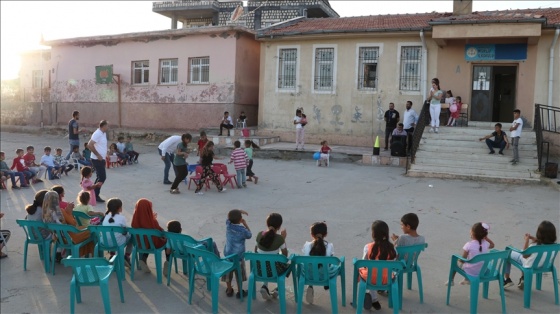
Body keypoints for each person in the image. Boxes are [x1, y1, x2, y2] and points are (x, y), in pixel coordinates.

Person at [503, 220, 556, 289]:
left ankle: (507, 279)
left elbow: (524, 255)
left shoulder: (534, 246)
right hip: (543, 264)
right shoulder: (554, 246)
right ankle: (523, 278)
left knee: (508, 253)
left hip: (530, 265)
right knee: (527, 259)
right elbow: (543, 243)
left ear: (539, 233)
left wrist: (527, 241)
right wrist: (535, 239)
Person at [360, 220, 396, 311]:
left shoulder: (368, 247)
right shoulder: (391, 248)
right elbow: (395, 262)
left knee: (365, 272)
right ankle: (381, 291)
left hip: (371, 279)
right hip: (387, 279)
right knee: (383, 272)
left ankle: (373, 298)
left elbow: (364, 262)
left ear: (373, 234)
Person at [255, 213, 289, 300]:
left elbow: (255, 251)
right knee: (285, 265)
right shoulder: (279, 238)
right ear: (279, 226)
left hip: (259, 270)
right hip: (274, 271)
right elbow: (285, 256)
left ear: (267, 224)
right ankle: (278, 288)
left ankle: (264, 286)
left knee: (265, 262)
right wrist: (283, 239)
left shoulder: (260, 234)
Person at [130, 198, 167, 273]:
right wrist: (154, 219)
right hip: (152, 244)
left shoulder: (134, 221)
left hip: (139, 244)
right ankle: (168, 262)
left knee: (147, 240)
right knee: (166, 241)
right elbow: (160, 231)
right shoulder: (152, 222)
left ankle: (143, 259)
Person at [301, 221, 334, 304]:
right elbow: (330, 261)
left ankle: (310, 285)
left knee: (309, 265)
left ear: (312, 234)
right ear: (325, 234)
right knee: (331, 265)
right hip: (324, 276)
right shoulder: (329, 246)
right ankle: (326, 284)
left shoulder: (307, 245)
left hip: (308, 275)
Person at [223, 209, 252, 298]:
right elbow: (249, 235)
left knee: (228, 273)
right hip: (238, 257)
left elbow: (228, 218)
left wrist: (238, 211)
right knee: (239, 274)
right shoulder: (242, 230)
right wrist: (245, 224)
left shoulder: (228, 225)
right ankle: (240, 291)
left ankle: (229, 289)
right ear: (240, 219)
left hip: (228, 255)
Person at [102, 198, 133, 267]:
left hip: (104, 242)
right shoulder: (122, 218)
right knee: (131, 237)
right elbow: (125, 230)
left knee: (112, 235)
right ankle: (127, 256)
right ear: (119, 208)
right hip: (117, 242)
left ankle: (112, 255)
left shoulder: (105, 217)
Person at [88, 120, 109, 203]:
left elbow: (102, 145)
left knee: (99, 177)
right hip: (97, 159)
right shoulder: (97, 133)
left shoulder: (103, 133)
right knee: (102, 177)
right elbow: (90, 144)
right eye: (107, 126)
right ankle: (95, 195)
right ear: (103, 126)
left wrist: (105, 154)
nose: (108, 127)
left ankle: (93, 193)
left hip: (101, 159)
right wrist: (97, 155)